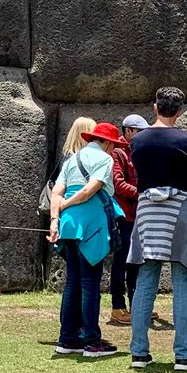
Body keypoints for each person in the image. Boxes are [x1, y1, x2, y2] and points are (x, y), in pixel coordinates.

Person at [127, 87, 187, 373]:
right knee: (182, 280)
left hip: (149, 211)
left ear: (154, 107)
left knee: (146, 277)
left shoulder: (137, 142)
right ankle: (184, 355)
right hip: (180, 210)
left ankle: (139, 352)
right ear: (179, 111)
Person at [49, 119, 121, 359]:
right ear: (108, 143)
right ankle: (92, 341)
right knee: (90, 284)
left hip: (68, 225)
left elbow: (56, 192)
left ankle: (67, 338)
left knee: (72, 283)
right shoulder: (105, 159)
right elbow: (90, 190)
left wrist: (56, 218)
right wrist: (69, 204)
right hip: (92, 225)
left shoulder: (71, 160)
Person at [106, 114, 146, 327]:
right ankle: (117, 307)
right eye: (139, 131)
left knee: (136, 262)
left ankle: (136, 305)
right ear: (129, 131)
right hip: (124, 215)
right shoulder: (117, 153)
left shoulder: (137, 152)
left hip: (138, 214)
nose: (142, 135)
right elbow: (118, 183)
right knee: (121, 262)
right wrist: (143, 193)